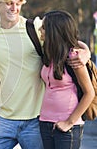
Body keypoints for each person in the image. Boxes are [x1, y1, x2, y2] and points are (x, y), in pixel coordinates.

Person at [0, 0, 91, 149]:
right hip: (5, 118)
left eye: (18, 4)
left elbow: (64, 38)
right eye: (9, 3)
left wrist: (86, 52)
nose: (14, 8)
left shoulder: (33, 28)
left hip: (36, 119)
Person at [38, 10, 94, 149]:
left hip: (67, 126)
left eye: (44, 27)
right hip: (45, 122)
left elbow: (89, 93)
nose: (40, 29)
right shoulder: (49, 54)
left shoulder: (73, 58)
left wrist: (69, 122)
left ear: (53, 32)